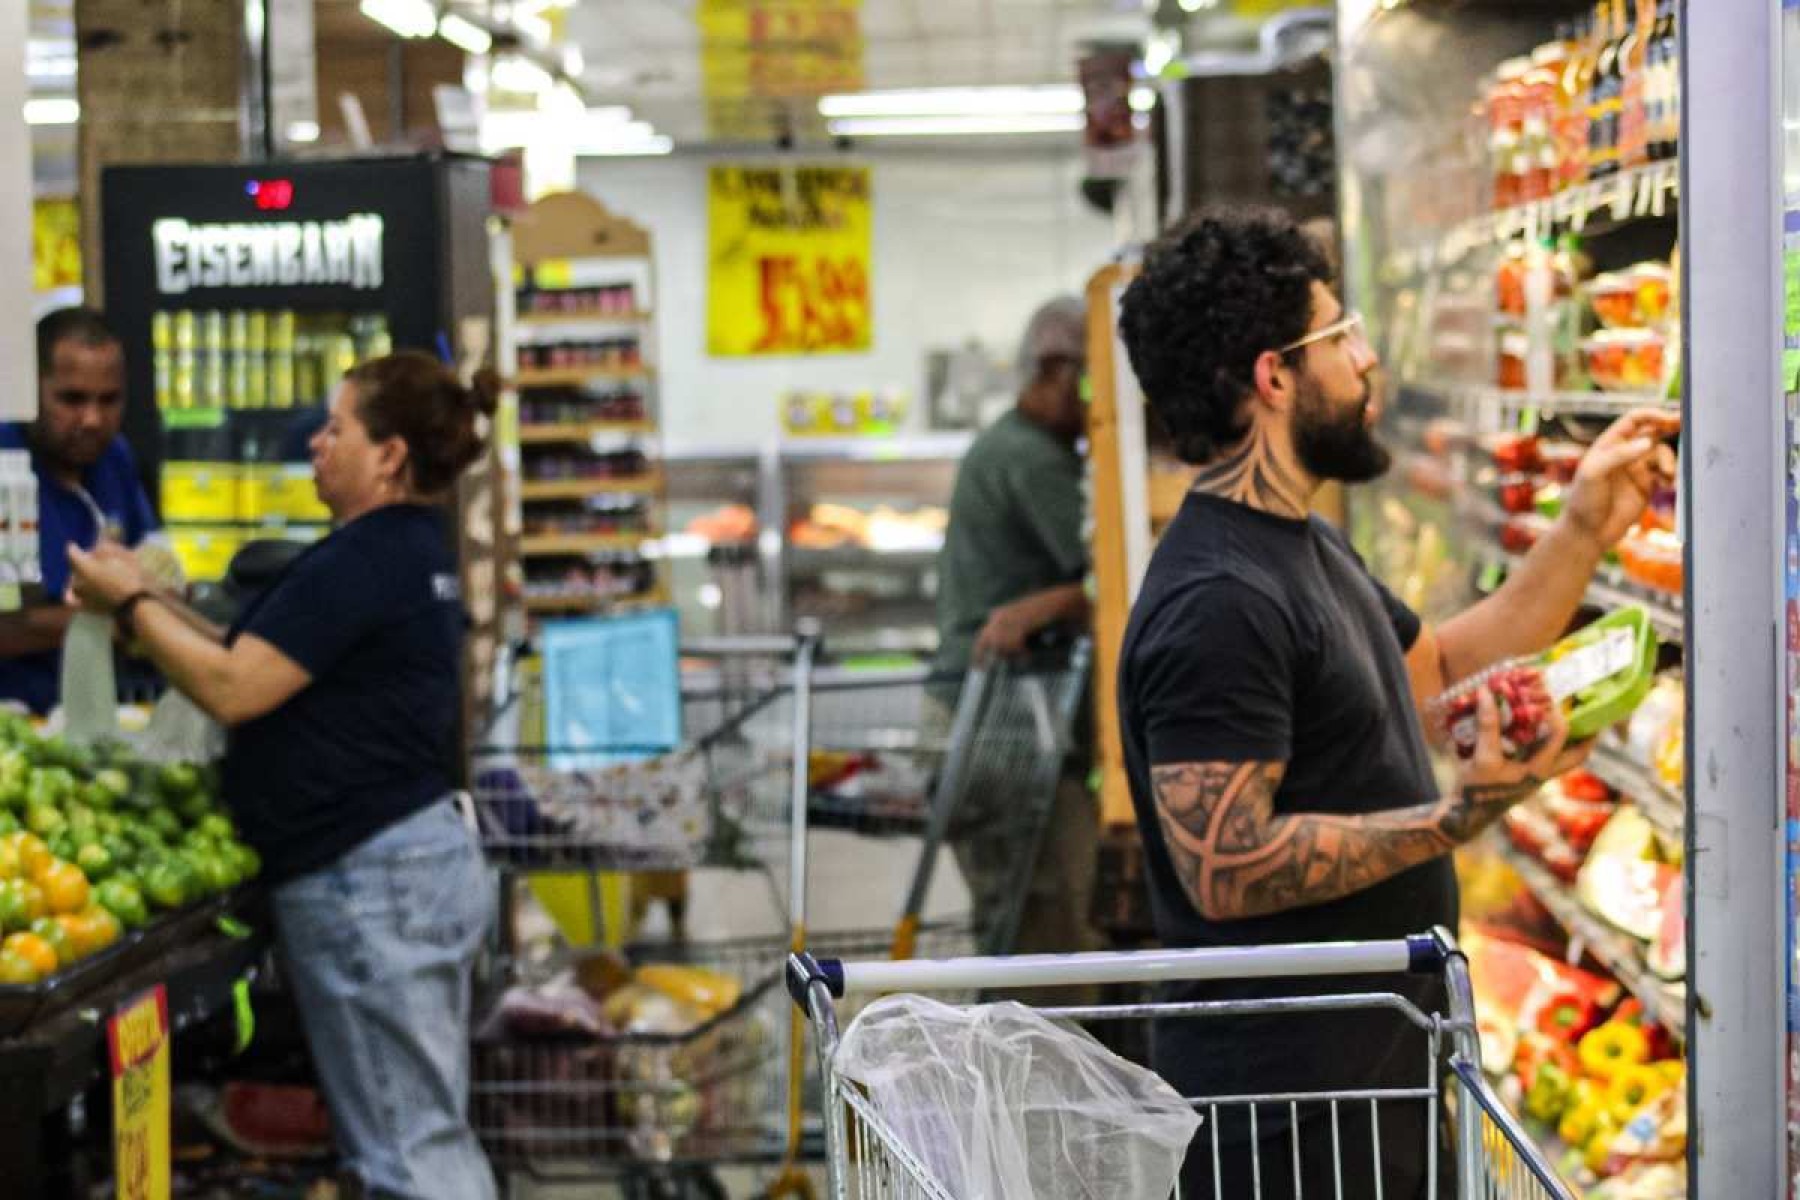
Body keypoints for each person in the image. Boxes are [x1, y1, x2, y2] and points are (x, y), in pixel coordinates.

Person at [1114, 207, 1678, 1199]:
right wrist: (1453, 820)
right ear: (1273, 375)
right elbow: (1226, 867)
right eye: (1342, 335)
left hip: (1366, 1075)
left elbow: (1436, 669)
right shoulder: (1219, 598)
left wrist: (1586, 524)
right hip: (1288, 1114)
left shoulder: (1302, 543)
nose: (1368, 360)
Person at [68, 352, 499, 1200]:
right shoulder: (403, 549)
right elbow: (244, 655)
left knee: (410, 1153)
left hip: (370, 883)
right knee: (414, 1131)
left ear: (390, 455)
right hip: (402, 868)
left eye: (338, 426)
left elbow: (235, 688)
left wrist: (128, 603)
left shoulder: (371, 557)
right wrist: (148, 607)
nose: (316, 442)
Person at [932, 295, 1103, 976]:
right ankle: (1043, 1075)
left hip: (987, 712)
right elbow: (1112, 582)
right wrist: (1054, 605)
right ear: (1058, 371)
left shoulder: (1015, 444)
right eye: (1091, 384)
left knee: (1016, 917)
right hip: (1003, 717)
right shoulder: (1034, 459)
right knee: (1042, 921)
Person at [0, 308, 157, 713]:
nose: (92, 419)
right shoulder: (6, 464)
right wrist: (124, 617)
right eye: (71, 399)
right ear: (30, 388)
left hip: (89, 714)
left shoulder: (113, 459)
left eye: (109, 400)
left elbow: (157, 574)